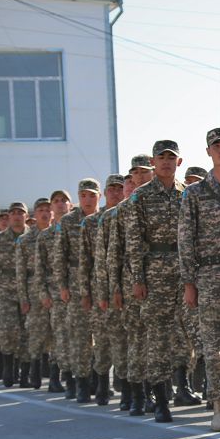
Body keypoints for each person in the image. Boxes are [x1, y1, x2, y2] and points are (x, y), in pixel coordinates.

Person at [179, 128, 220, 431]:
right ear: (208, 151)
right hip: (209, 276)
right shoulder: (194, 193)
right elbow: (186, 239)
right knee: (213, 345)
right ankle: (218, 405)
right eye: (216, 146)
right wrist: (189, 283)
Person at [126, 141, 192, 423]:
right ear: (153, 162)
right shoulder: (140, 196)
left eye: (171, 158)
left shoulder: (188, 193)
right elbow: (134, 241)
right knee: (158, 337)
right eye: (161, 157)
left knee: (187, 333)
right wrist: (138, 279)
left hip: (185, 271)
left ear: (179, 162)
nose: (166, 162)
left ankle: (186, 385)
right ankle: (160, 400)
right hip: (155, 274)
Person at [108, 155, 155, 416]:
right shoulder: (122, 210)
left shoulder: (164, 200)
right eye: (136, 173)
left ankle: (158, 390)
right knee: (137, 339)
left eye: (145, 172)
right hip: (131, 284)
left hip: (162, 280)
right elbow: (113, 253)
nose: (140, 177)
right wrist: (115, 288)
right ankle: (137, 394)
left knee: (159, 340)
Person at [53, 179, 101, 402]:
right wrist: (62, 286)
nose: (88, 200)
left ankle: (99, 380)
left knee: (102, 335)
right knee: (80, 336)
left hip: (101, 282)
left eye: (92, 195)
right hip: (75, 285)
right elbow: (59, 256)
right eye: (83, 195)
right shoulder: (68, 221)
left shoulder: (105, 217)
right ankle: (80, 382)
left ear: (99, 196)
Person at [95, 173, 134, 410]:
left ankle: (133, 388)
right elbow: (102, 260)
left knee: (134, 341)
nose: (117, 192)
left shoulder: (135, 211)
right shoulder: (102, 219)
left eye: (121, 188)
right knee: (111, 340)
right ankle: (104, 383)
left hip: (137, 287)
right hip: (113, 287)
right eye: (113, 189)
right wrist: (105, 292)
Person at [0, 202, 29, 387]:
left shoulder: (33, 236)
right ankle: (8, 367)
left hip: (29, 288)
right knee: (8, 329)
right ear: (9, 217)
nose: (17, 216)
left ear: (26, 216)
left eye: (20, 213)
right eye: (13, 213)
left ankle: (24, 372)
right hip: (5, 290)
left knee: (27, 331)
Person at [36, 189, 73, 393]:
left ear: (70, 205)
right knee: (59, 335)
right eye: (56, 201)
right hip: (55, 292)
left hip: (77, 289)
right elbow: (39, 268)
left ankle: (77, 376)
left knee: (79, 334)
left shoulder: (78, 228)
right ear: (51, 207)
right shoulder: (45, 236)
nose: (60, 204)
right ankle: (55, 376)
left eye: (64, 200)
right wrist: (43, 294)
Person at [16, 198, 52, 389]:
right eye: (41, 210)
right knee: (36, 333)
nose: (45, 213)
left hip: (55, 289)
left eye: (47, 209)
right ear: (34, 214)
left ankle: (55, 376)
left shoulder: (58, 234)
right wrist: (23, 298)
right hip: (33, 291)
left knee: (57, 333)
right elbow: (20, 272)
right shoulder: (25, 240)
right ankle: (34, 372)